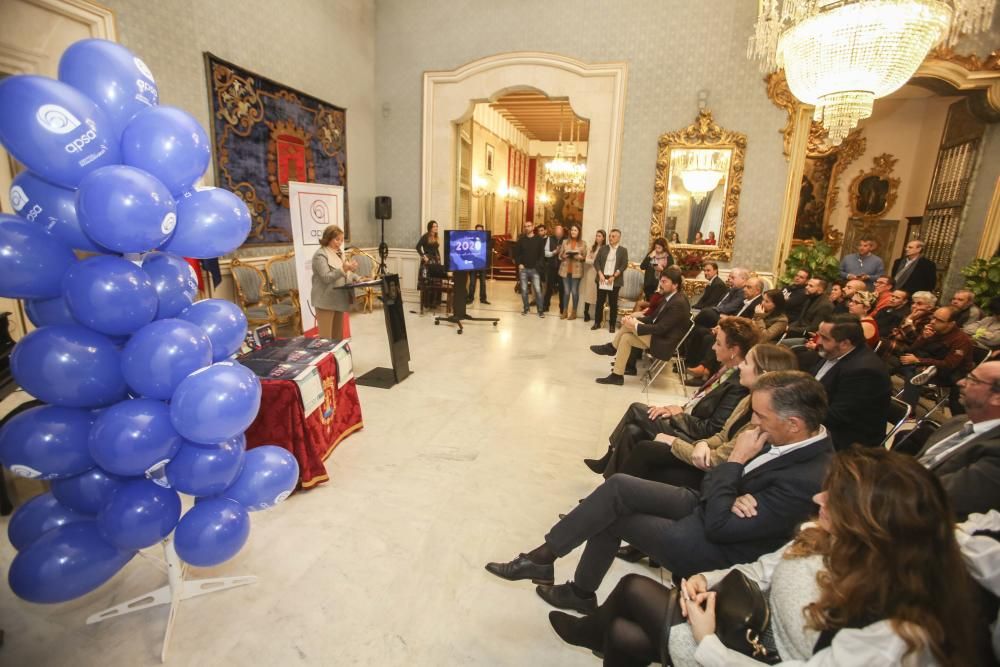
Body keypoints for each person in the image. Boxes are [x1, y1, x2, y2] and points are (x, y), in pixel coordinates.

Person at [547, 448, 981, 667]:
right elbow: (760, 569)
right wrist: (706, 580)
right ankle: (595, 628)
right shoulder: (821, 535)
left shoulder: (892, 630)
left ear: (872, 520)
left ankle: (590, 627)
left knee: (631, 593)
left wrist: (707, 640)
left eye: (835, 496)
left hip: (744, 653)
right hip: (743, 621)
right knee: (625, 634)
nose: (818, 496)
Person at [485, 371, 833, 614]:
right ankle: (543, 558)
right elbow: (716, 483)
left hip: (714, 542)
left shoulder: (805, 477)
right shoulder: (789, 437)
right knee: (618, 487)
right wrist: (731, 481)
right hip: (711, 503)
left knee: (612, 518)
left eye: (759, 416)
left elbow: (721, 526)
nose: (753, 424)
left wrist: (735, 464)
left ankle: (576, 591)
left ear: (794, 424)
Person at [616, 344, 798, 493]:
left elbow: (718, 460)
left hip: (717, 477)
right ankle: (611, 495)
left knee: (646, 446)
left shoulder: (765, 418)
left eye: (747, 363)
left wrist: (675, 442)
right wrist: (702, 444)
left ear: (764, 373)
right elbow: (721, 435)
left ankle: (613, 498)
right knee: (637, 435)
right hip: (707, 454)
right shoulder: (748, 399)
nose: (741, 365)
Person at [588, 317, 757, 474]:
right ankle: (610, 480)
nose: (713, 347)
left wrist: (678, 415)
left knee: (636, 410)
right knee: (632, 431)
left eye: (718, 344)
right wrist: (678, 409)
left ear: (733, 350)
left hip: (694, 437)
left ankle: (610, 455)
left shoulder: (738, 385)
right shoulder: (725, 370)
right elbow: (699, 401)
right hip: (689, 421)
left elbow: (711, 429)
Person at [917, 360, 1000, 520]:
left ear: (997, 398)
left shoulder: (996, 450)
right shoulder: (959, 421)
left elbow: (940, 499)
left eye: (973, 380)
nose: (960, 382)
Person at [592, 269, 691, 386]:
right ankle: (617, 375)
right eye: (661, 281)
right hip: (658, 338)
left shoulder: (678, 302)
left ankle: (612, 347)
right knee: (626, 338)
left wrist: (635, 325)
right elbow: (652, 318)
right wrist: (634, 320)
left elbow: (661, 328)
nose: (661, 284)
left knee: (629, 327)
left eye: (664, 282)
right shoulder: (669, 297)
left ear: (675, 285)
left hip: (665, 344)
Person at [811, 314, 891, 450]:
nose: (818, 342)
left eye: (824, 338)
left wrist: (794, 409)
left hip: (846, 440)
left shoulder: (865, 371)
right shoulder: (834, 351)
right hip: (821, 418)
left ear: (845, 343)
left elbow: (836, 416)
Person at [896, 306, 975, 414]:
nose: (933, 322)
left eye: (939, 320)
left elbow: (949, 364)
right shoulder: (934, 329)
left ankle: (906, 413)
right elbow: (913, 349)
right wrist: (923, 338)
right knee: (894, 360)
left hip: (950, 373)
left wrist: (919, 360)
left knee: (914, 377)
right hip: (929, 362)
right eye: (934, 317)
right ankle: (879, 394)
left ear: (951, 323)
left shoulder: (961, 340)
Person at [686, 277, 764, 382]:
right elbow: (736, 316)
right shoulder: (746, 300)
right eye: (745, 286)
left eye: (748, 287)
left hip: (740, 335)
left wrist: (725, 329)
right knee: (701, 332)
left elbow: (747, 325)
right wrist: (722, 326)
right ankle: (693, 364)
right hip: (731, 328)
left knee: (710, 338)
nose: (744, 289)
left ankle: (705, 372)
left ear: (757, 290)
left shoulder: (758, 305)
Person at [311, 224, 358, 341]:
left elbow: (345, 274)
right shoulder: (320, 255)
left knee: (338, 338)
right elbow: (326, 277)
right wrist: (344, 269)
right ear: (328, 238)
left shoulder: (339, 253)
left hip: (338, 299)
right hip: (325, 301)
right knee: (326, 339)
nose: (340, 243)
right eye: (337, 239)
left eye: (341, 240)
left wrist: (358, 278)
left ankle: (336, 359)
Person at [592, 229, 628, 333]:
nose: (610, 238)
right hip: (602, 279)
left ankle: (612, 324)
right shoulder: (603, 248)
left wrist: (614, 276)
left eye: (613, 236)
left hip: (614, 280)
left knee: (613, 303)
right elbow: (596, 262)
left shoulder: (623, 250)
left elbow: (623, 265)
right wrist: (600, 274)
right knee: (599, 302)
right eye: (610, 236)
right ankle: (597, 323)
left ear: (618, 238)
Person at [883, 290, 937, 355]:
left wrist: (909, 320)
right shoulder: (912, 314)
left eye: (919, 304)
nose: (914, 306)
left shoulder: (930, 320)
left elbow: (913, 340)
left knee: (881, 344)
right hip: (898, 342)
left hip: (911, 352)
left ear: (929, 307)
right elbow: (898, 331)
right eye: (913, 303)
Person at [782, 277, 833, 342]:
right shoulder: (810, 298)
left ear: (820, 290)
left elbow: (813, 329)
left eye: (810, 286)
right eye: (807, 285)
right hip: (799, 332)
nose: (806, 287)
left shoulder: (825, 306)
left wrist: (789, 329)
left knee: (781, 344)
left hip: (809, 338)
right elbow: (800, 320)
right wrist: (787, 327)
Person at [513, 220, 546, 317]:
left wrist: (537, 266)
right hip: (523, 269)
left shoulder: (539, 240)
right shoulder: (521, 240)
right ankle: (526, 308)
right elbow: (517, 254)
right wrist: (519, 264)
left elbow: (541, 255)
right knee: (524, 290)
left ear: (533, 227)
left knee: (538, 290)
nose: (527, 228)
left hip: (535, 269)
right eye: (525, 226)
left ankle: (540, 311)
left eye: (529, 226)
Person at [416, 220, 445, 311]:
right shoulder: (425, 236)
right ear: (430, 228)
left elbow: (436, 250)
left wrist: (439, 260)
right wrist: (424, 256)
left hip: (436, 261)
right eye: (434, 226)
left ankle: (434, 303)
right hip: (428, 262)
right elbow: (417, 247)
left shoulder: (436, 237)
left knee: (436, 281)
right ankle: (427, 303)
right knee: (427, 282)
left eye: (437, 226)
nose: (436, 228)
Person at [557, 224, 586, 320]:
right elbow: (559, 256)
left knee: (574, 292)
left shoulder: (583, 243)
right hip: (565, 270)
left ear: (579, 232)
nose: (573, 232)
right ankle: (564, 312)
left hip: (576, 271)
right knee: (566, 292)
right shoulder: (565, 242)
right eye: (572, 230)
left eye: (575, 230)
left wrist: (580, 257)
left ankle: (574, 312)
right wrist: (563, 256)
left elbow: (585, 258)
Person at [582, 229, 606, 323]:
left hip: (600, 274)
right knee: (588, 293)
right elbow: (586, 260)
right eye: (596, 236)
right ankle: (585, 313)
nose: (597, 238)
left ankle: (598, 316)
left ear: (603, 238)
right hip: (590, 272)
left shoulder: (605, 249)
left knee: (598, 295)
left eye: (599, 236)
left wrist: (594, 261)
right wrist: (594, 261)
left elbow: (603, 263)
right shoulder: (592, 247)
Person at [465, 223, 490, 305]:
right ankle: (470, 298)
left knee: (483, 282)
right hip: (474, 264)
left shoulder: (485, 240)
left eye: (480, 230)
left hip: (482, 263)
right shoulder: (471, 240)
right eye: (477, 230)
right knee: (472, 282)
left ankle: (483, 299)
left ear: (483, 231)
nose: (479, 232)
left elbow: (487, 252)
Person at [542, 224, 565, 314]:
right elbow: (545, 253)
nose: (558, 234)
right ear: (554, 232)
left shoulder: (566, 240)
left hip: (562, 267)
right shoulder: (549, 239)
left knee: (562, 289)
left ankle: (562, 308)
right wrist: (554, 252)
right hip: (551, 267)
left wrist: (562, 253)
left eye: (560, 232)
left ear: (562, 232)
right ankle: (546, 306)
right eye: (557, 232)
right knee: (549, 288)